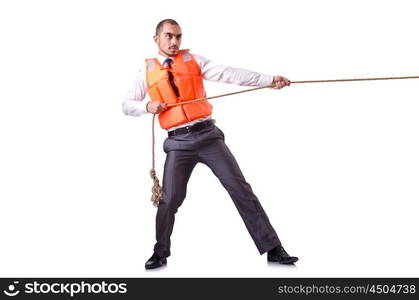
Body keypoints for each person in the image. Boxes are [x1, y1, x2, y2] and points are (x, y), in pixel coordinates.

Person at [122, 19, 298, 270]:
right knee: (170, 199)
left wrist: (269, 80)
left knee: (240, 189)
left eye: (178, 37)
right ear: (157, 39)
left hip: (208, 137)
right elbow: (126, 104)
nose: (174, 42)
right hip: (178, 143)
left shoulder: (194, 61)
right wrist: (146, 106)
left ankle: (273, 249)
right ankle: (160, 252)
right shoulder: (145, 72)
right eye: (169, 36)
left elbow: (230, 73)